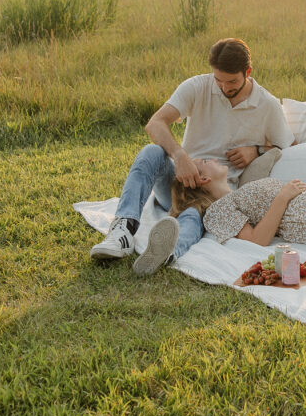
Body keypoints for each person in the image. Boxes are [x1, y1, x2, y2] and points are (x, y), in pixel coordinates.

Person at [90, 38, 294, 274]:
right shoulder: (198, 87)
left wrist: (256, 150)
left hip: (214, 193)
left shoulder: (266, 105)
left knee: (192, 213)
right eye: (218, 79)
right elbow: (155, 123)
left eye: (232, 81)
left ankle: (167, 252)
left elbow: (288, 145)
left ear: (247, 72)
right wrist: (179, 156)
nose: (224, 87)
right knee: (152, 152)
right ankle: (122, 233)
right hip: (179, 181)